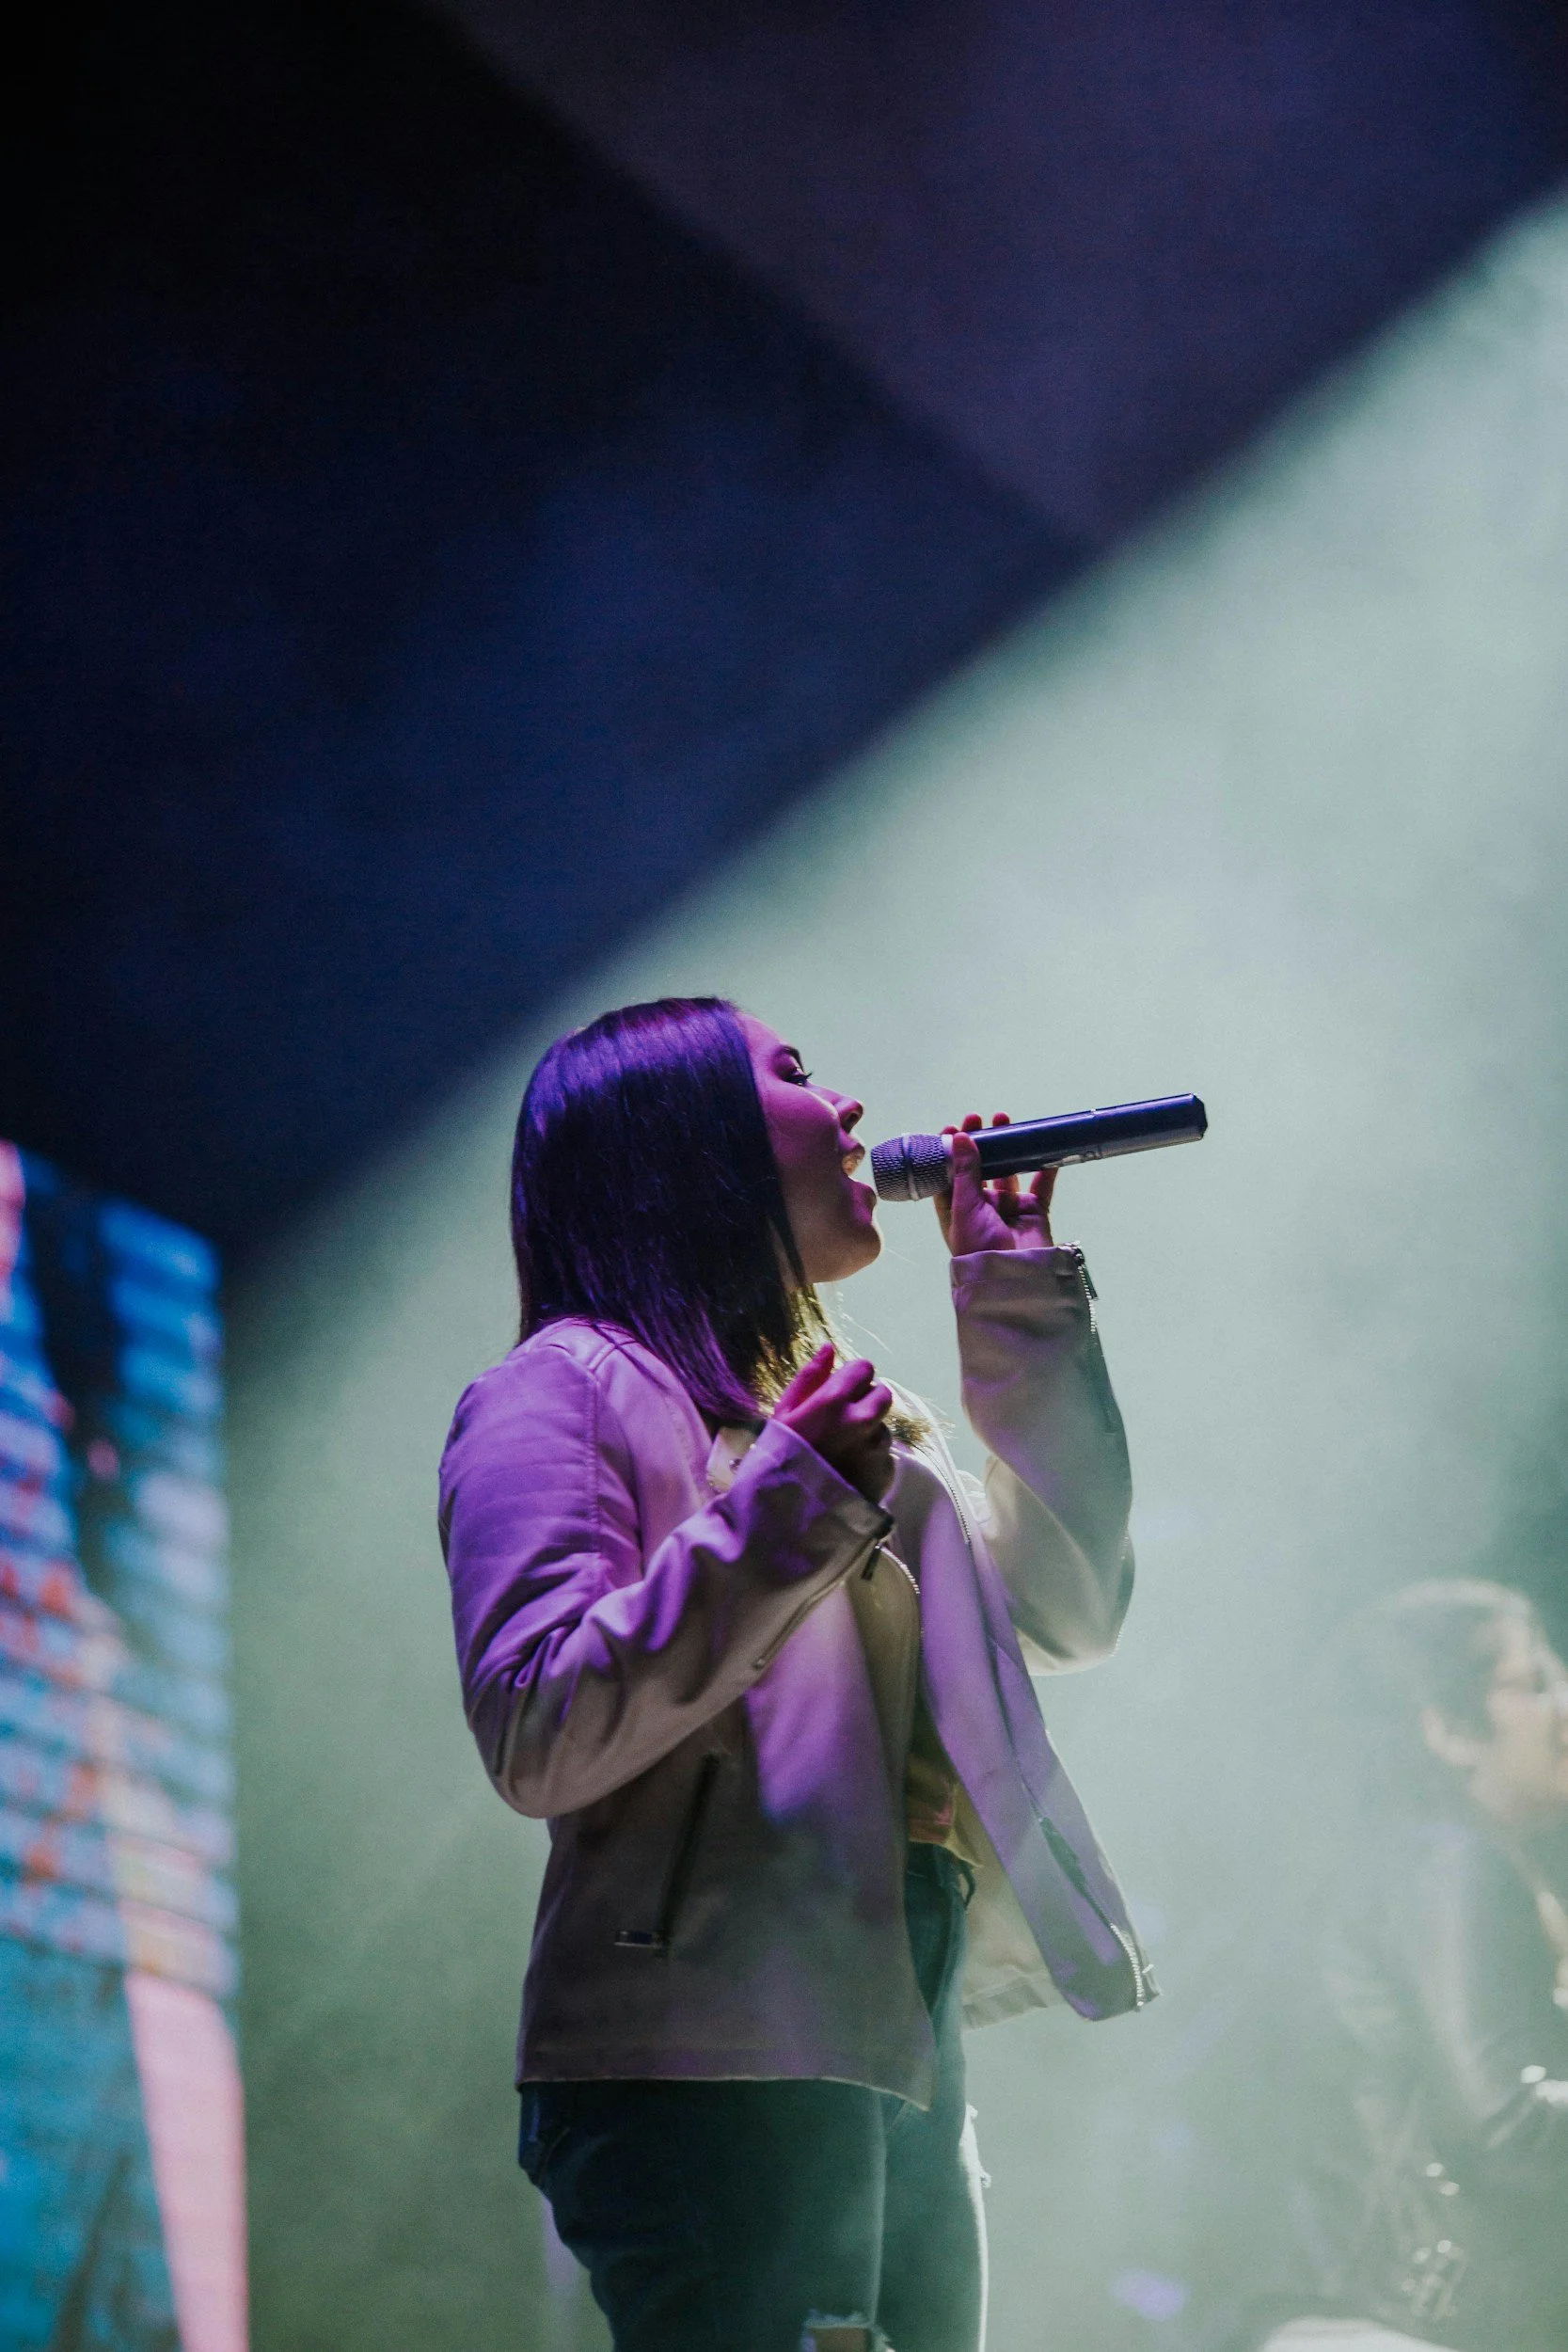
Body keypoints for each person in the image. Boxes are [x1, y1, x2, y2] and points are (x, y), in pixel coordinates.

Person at [437, 996, 1152, 2352]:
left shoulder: (834, 1424)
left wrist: (1016, 1303)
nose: (845, 1111)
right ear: (685, 1139)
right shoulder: (563, 1391)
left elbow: (1069, 1611)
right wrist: (787, 1505)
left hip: (885, 2019)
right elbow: (536, 1724)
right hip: (706, 2045)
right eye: (793, 1074)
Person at [1245, 1580, 1568, 2352]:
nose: (1563, 1703)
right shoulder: (1448, 1864)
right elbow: (1503, 2128)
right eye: (1534, 1683)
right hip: (1395, 2327)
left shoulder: (1415, 1864)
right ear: (1447, 1729)